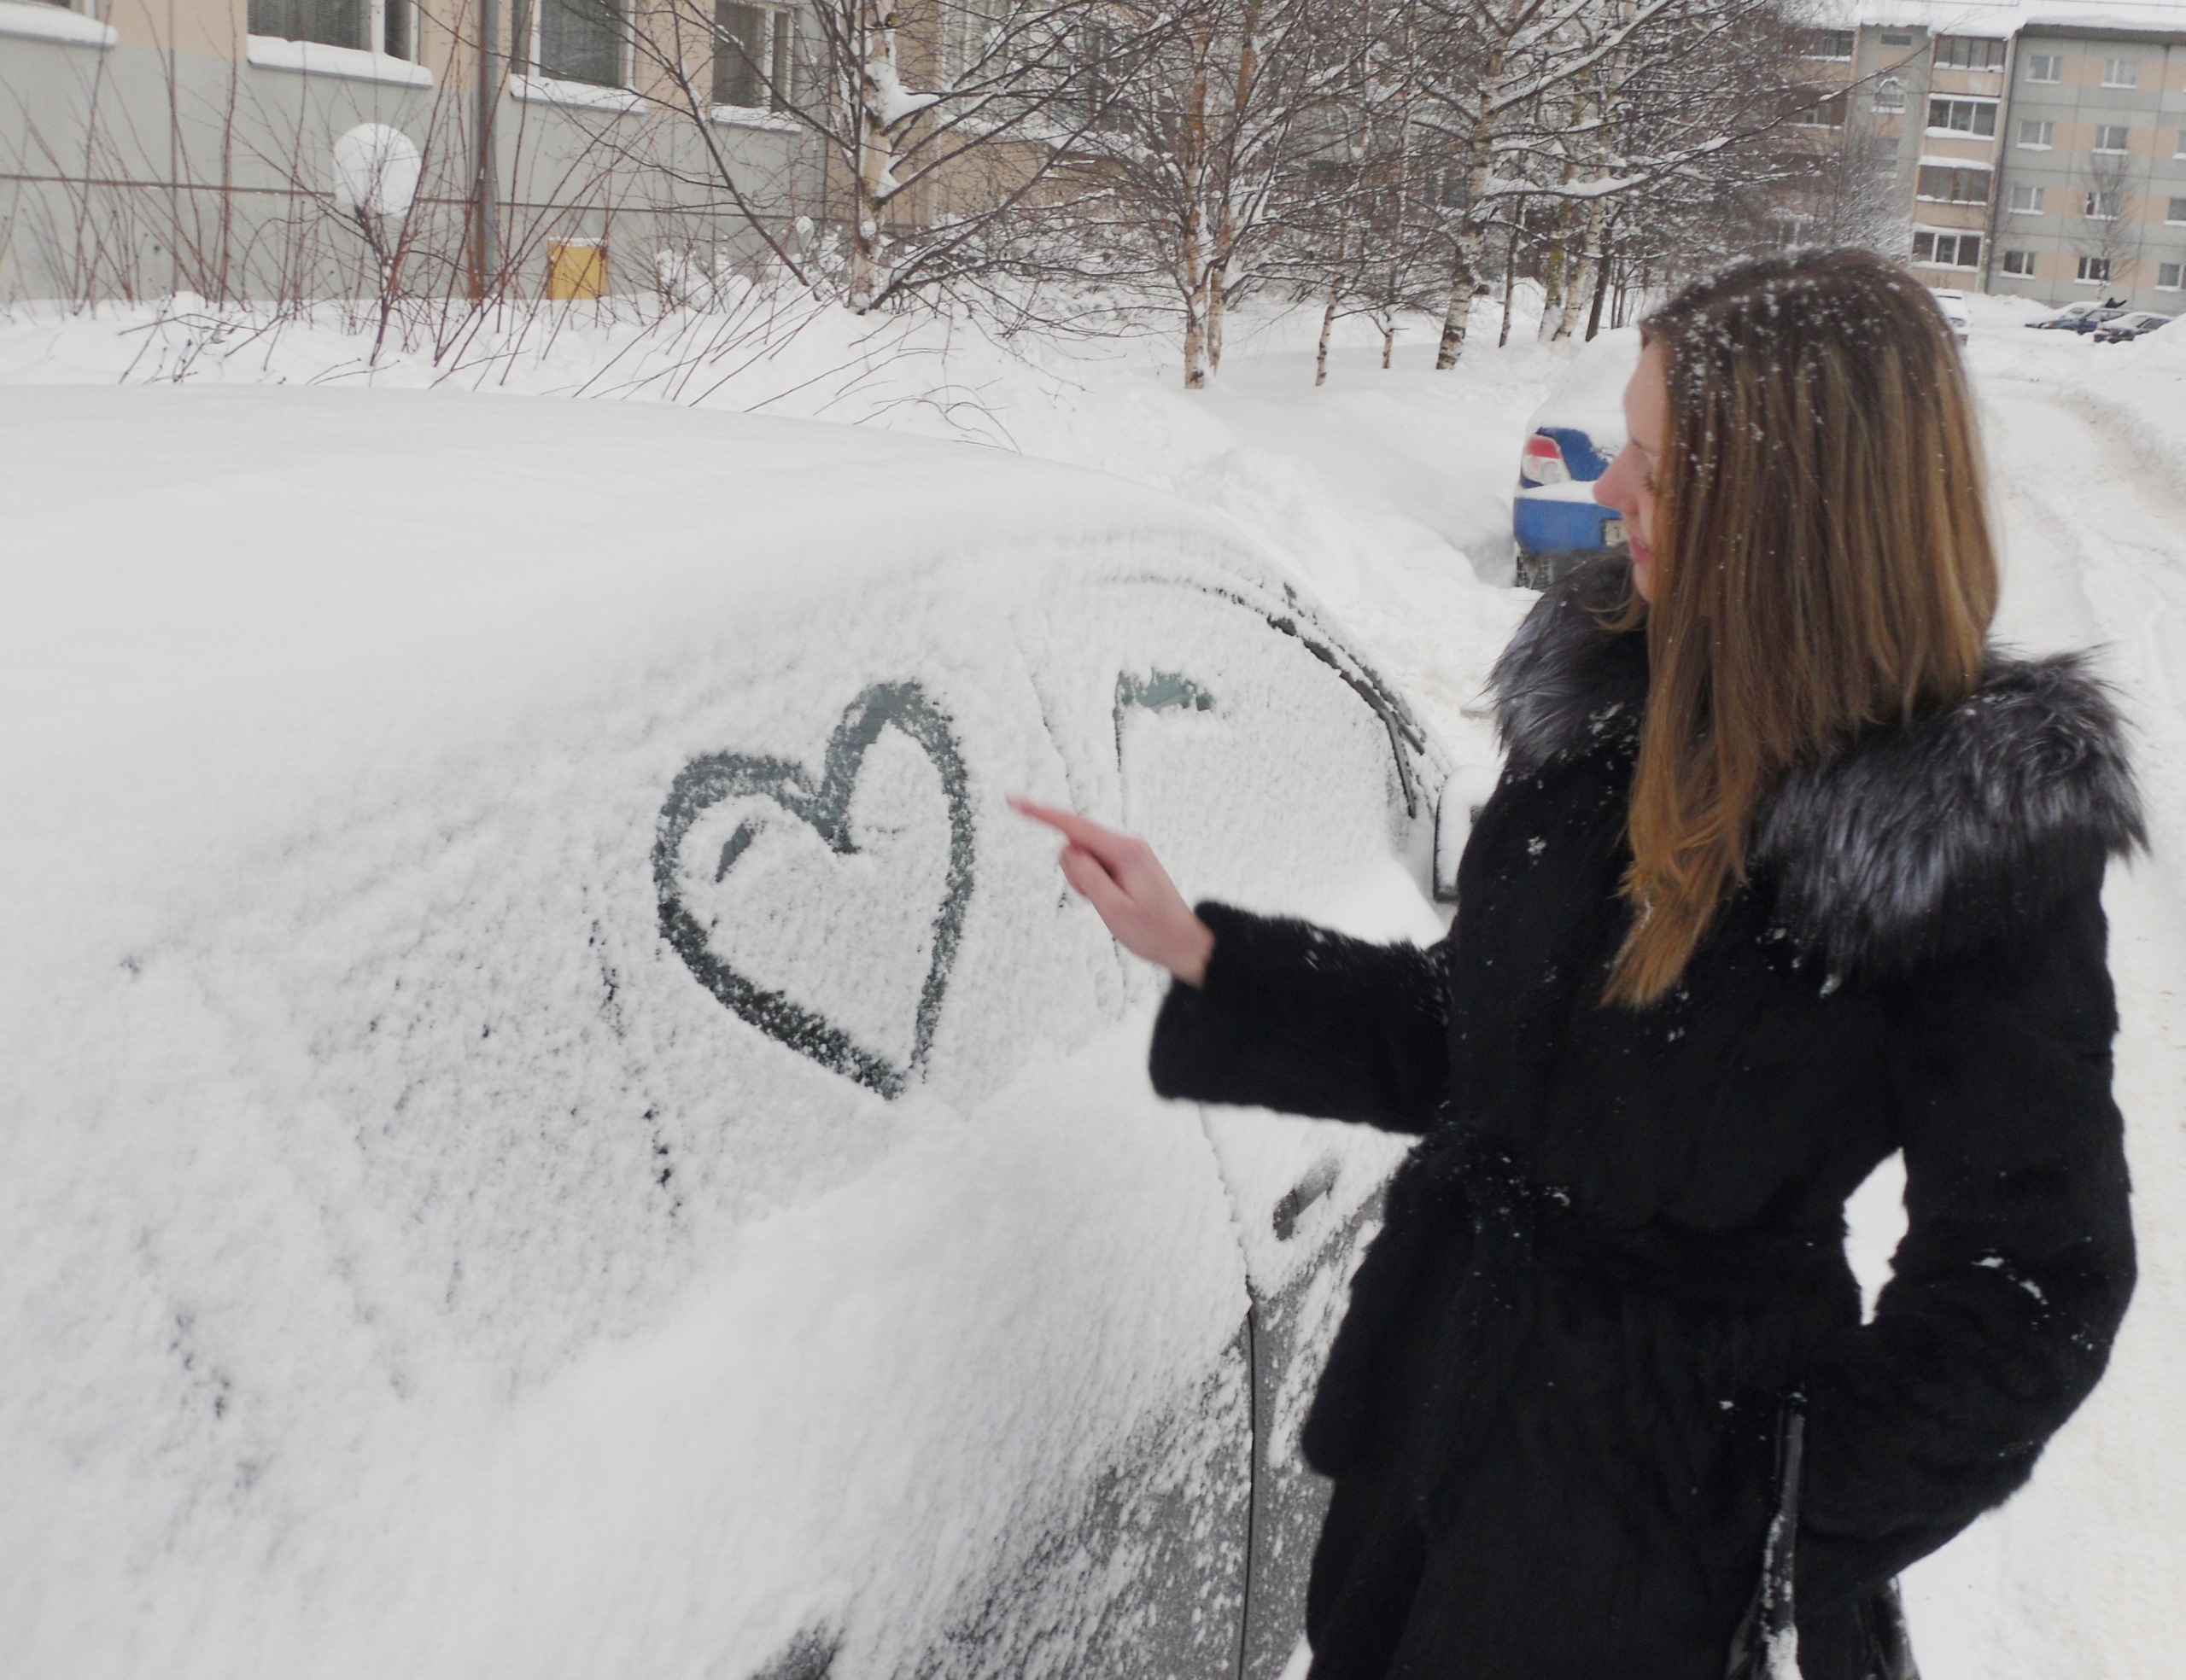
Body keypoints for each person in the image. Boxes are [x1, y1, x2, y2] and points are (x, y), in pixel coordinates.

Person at [1013, 248, 2142, 1680]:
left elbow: (2035, 1280)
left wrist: (1754, 1525)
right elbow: (1480, 1045)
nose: (1611, 494)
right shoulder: (1610, 718)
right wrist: (1205, 952)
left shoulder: (1956, 846)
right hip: (1430, 1473)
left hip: (1660, 1584)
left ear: (1788, 513)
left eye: (1656, 470)